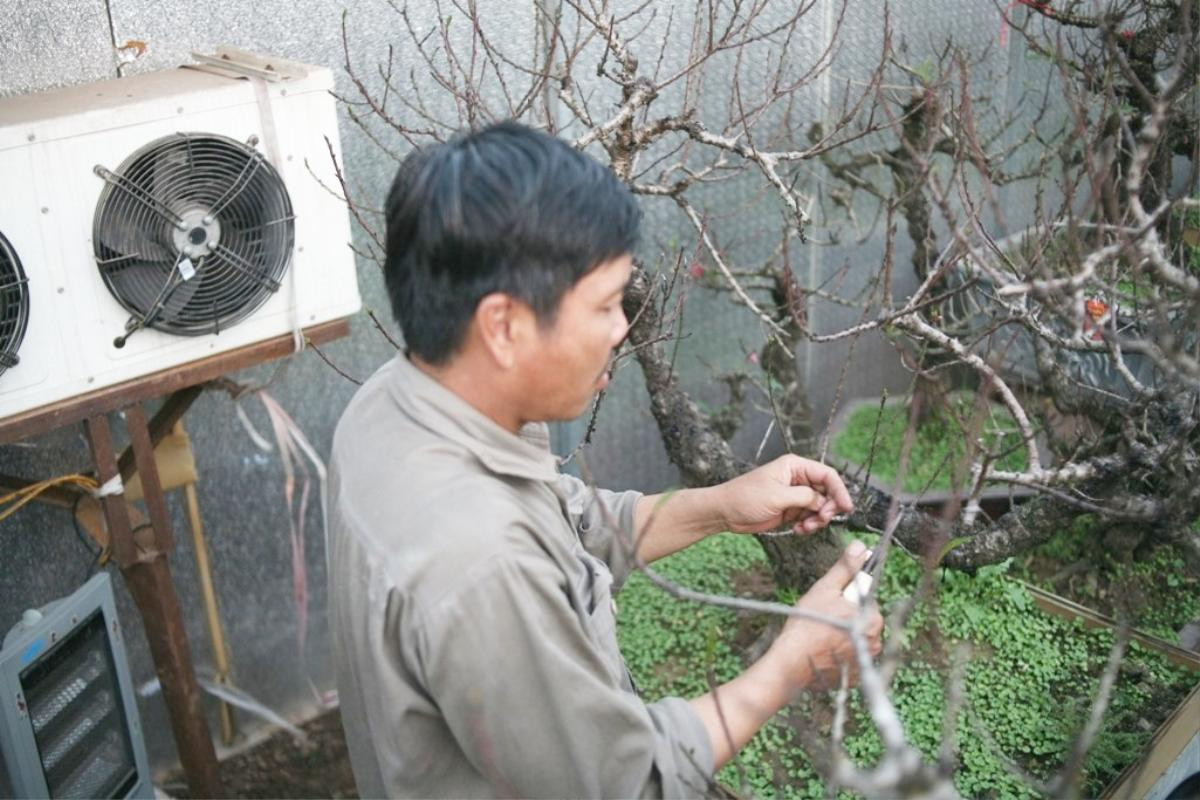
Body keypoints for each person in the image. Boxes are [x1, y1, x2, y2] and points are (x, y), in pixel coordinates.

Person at [327, 121, 884, 798]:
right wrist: (795, 660)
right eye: (603, 306)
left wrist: (721, 508)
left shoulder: (395, 402)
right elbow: (631, 785)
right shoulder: (481, 564)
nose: (622, 329)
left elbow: (568, 522)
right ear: (502, 327)